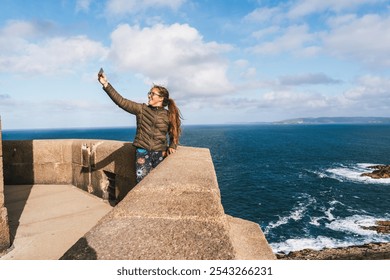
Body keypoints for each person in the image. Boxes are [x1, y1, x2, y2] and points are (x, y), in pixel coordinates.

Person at [98, 71, 182, 183]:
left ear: (161, 98)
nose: (149, 95)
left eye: (152, 94)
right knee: (141, 183)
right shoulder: (141, 109)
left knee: (159, 183)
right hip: (142, 152)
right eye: (149, 93)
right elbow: (121, 101)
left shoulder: (168, 115)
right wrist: (106, 84)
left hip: (160, 153)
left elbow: (174, 132)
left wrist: (172, 145)